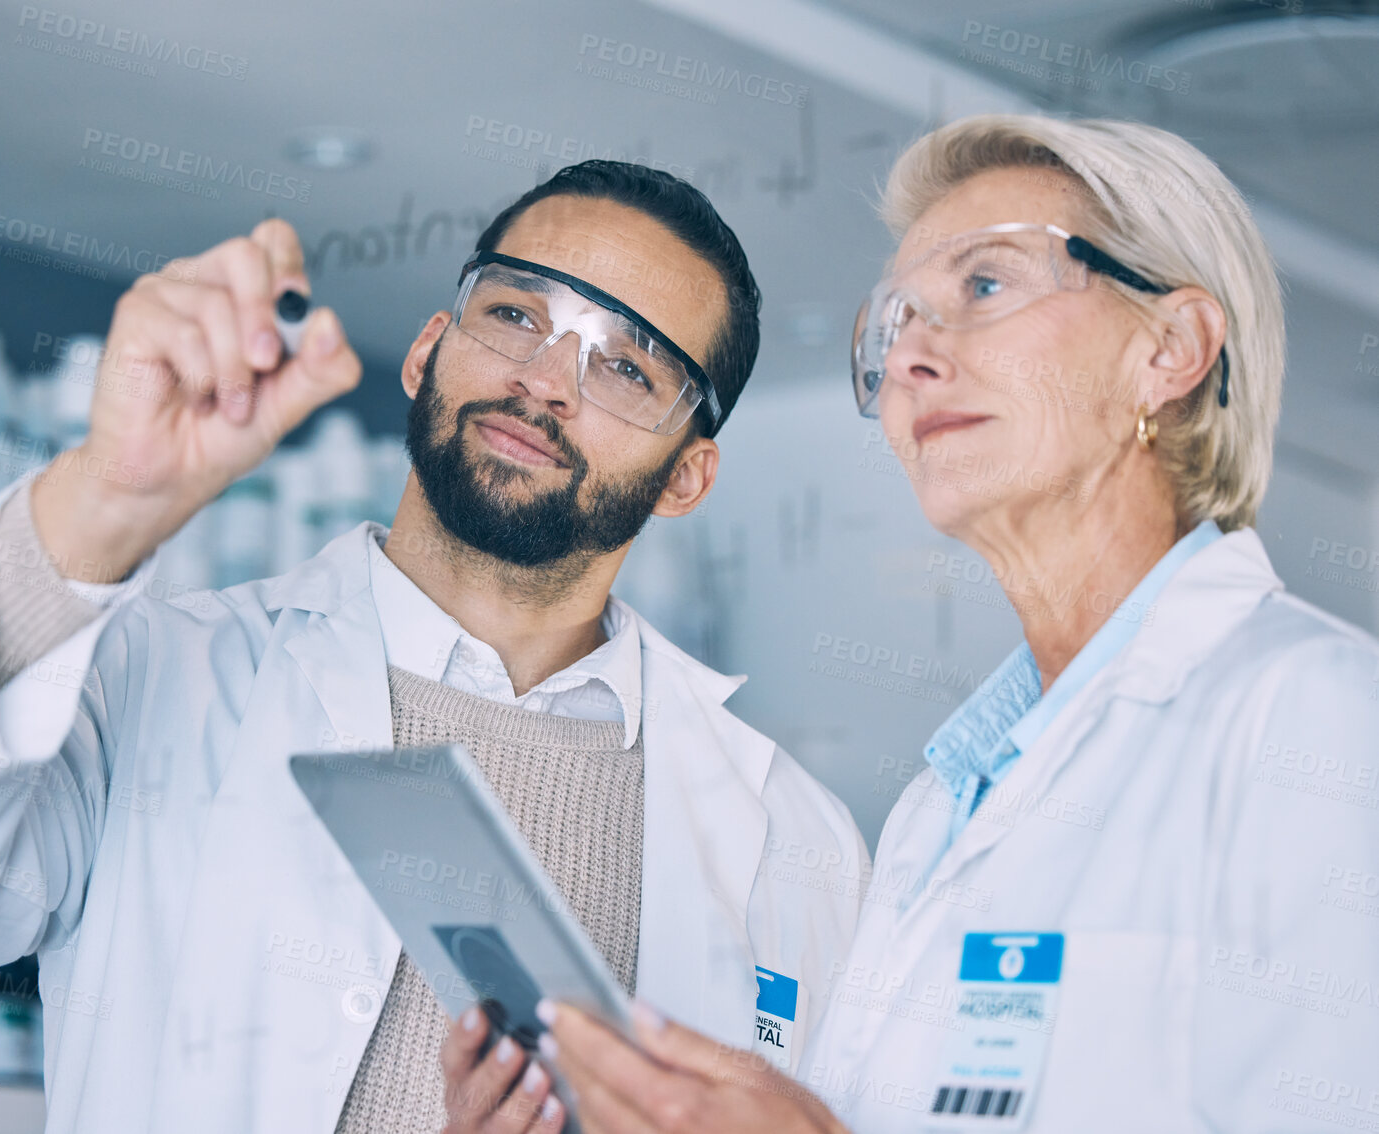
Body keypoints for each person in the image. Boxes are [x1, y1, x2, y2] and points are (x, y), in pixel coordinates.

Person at [0, 161, 867, 1134]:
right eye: (516, 313)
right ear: (429, 349)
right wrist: (102, 502)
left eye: (625, 366)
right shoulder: (156, 689)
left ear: (687, 476)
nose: (544, 379)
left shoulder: (791, 841)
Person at [454, 116, 1379, 1132]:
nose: (910, 360)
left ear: (1170, 348)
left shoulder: (1311, 714)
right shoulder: (934, 814)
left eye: (983, 286)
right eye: (892, 326)